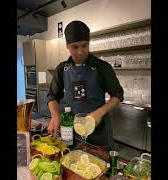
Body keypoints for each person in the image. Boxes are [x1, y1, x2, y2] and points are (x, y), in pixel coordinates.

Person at [46, 20, 124, 151]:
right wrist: (55, 115)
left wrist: (99, 113)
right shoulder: (62, 69)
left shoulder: (102, 67)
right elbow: (52, 96)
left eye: (84, 46)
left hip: (99, 133)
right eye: (75, 47)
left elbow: (118, 95)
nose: (80, 52)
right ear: (67, 46)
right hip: (71, 133)